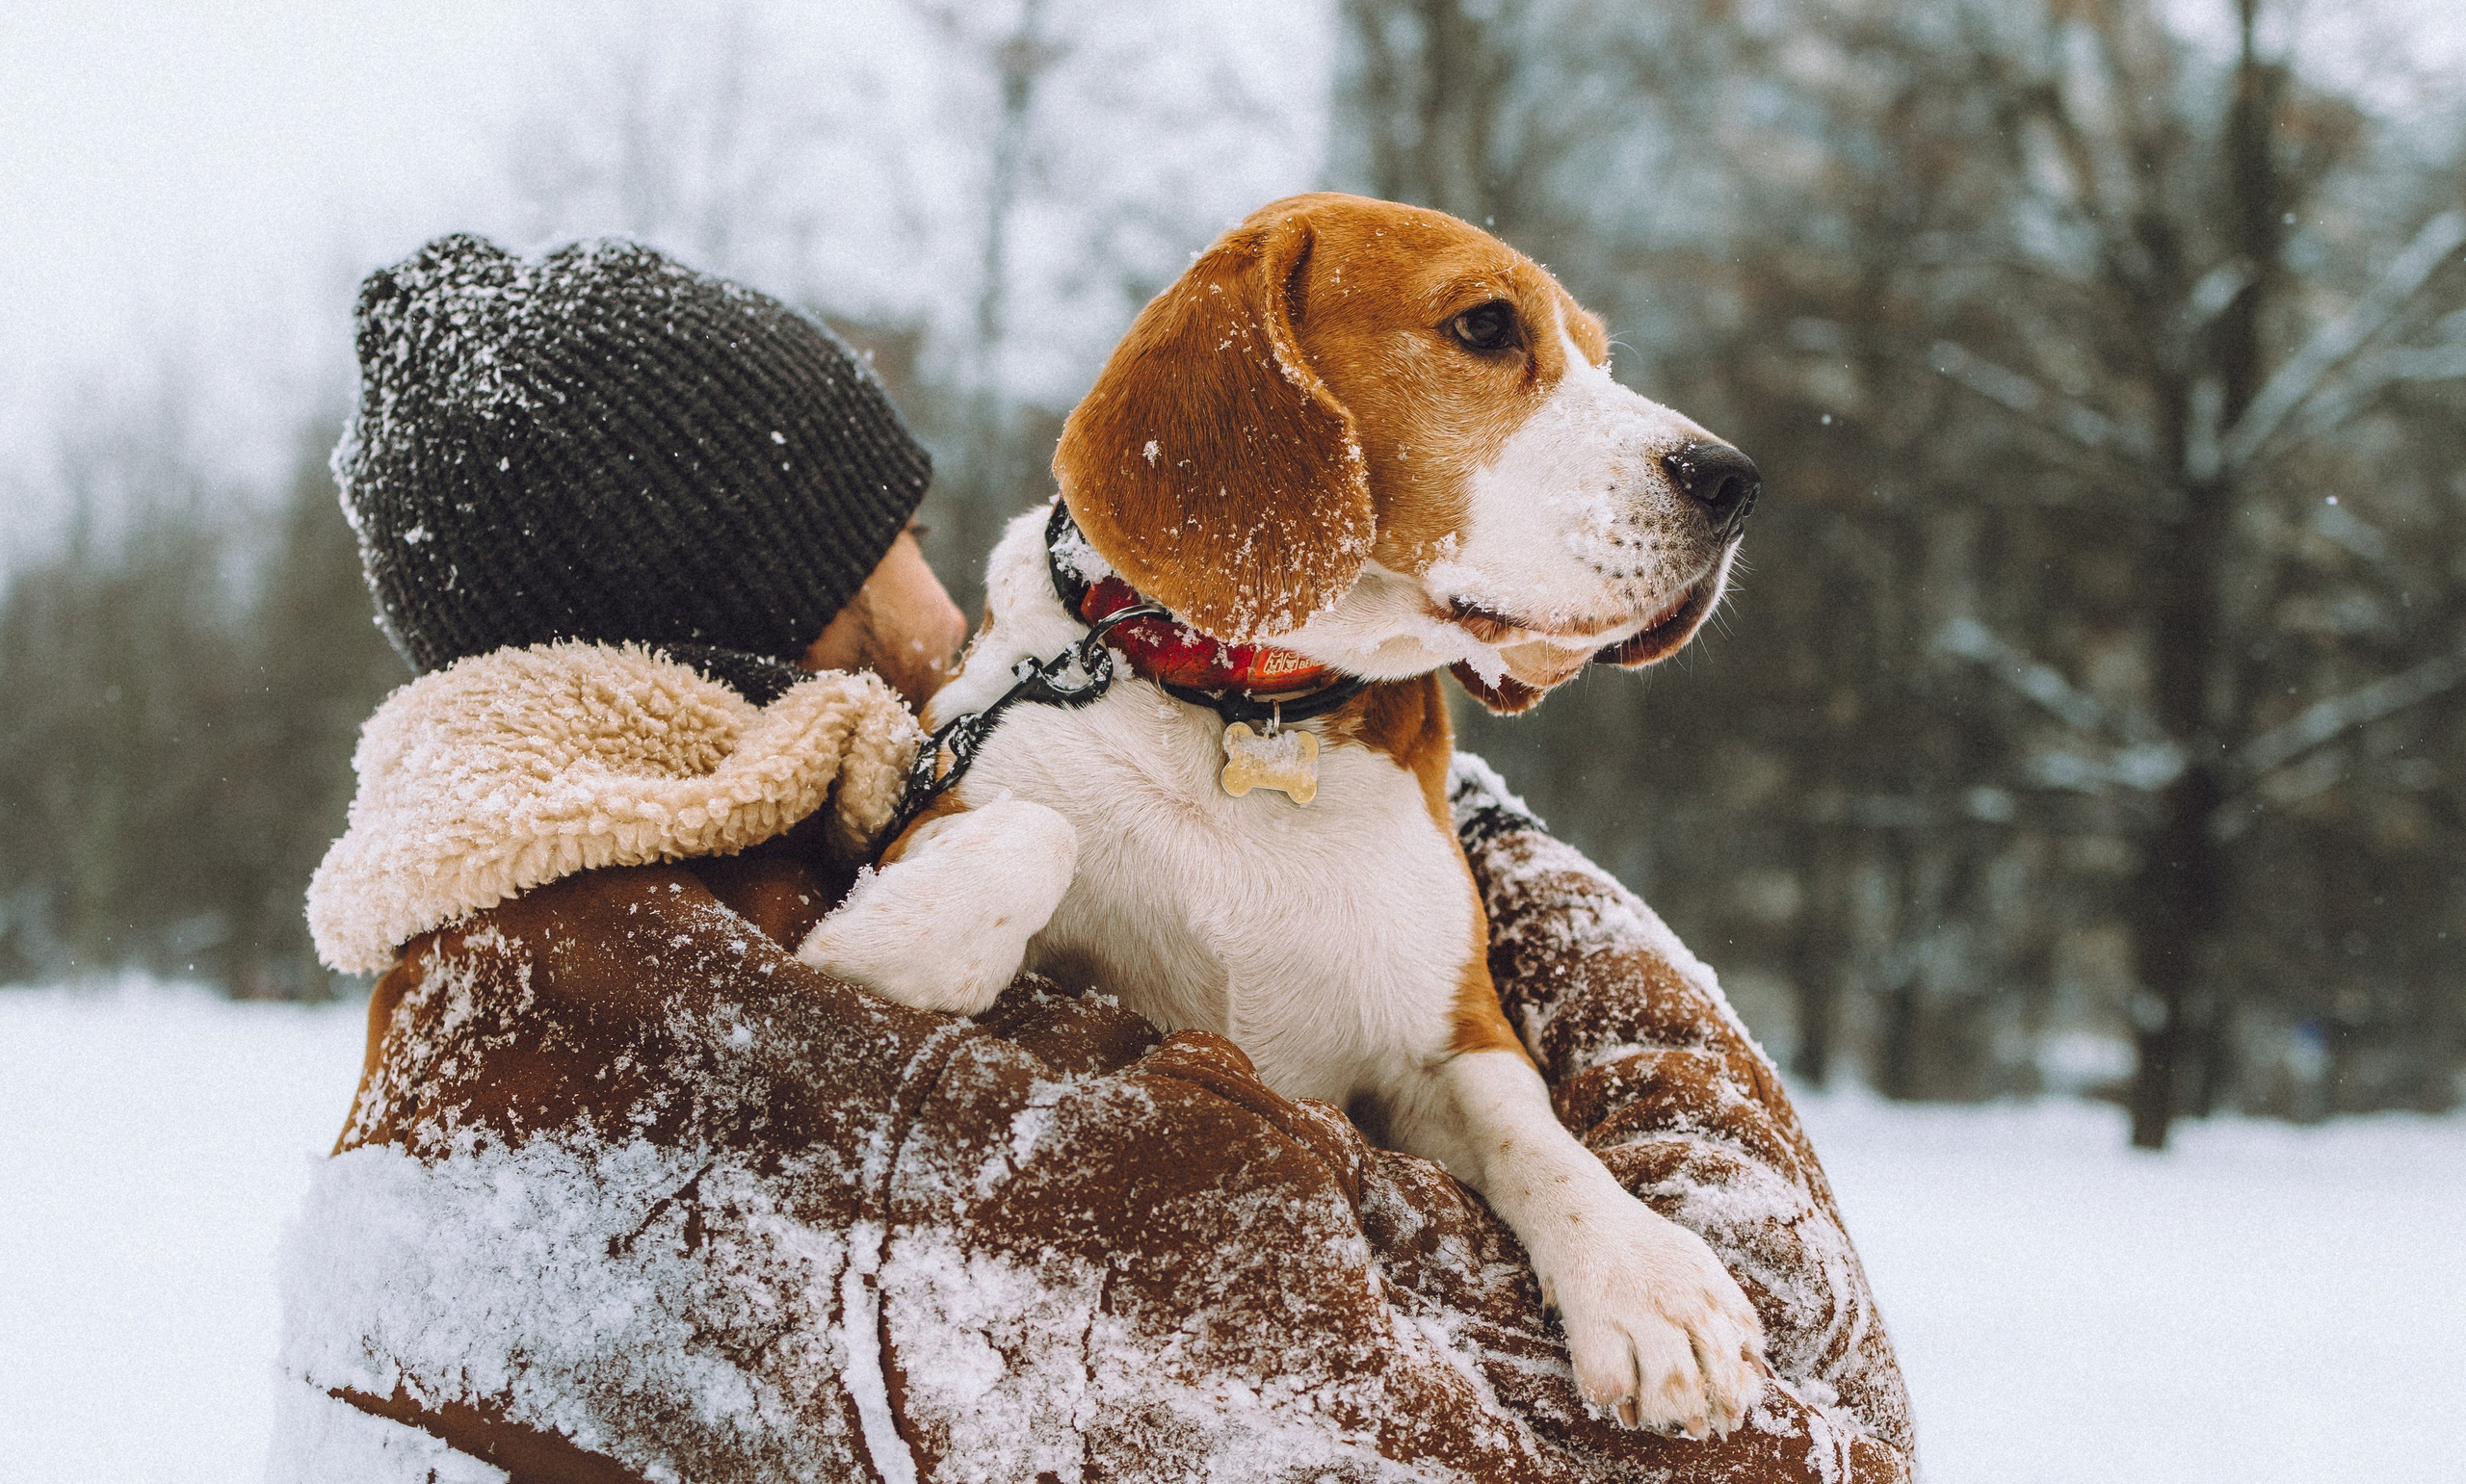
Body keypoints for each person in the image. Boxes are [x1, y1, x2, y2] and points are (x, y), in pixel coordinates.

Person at [268, 235, 1914, 1483]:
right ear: (767, 608)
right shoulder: (713, 1029)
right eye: (901, 546)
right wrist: (1505, 857)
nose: (952, 602)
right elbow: (1773, 1438)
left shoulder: (513, 957)